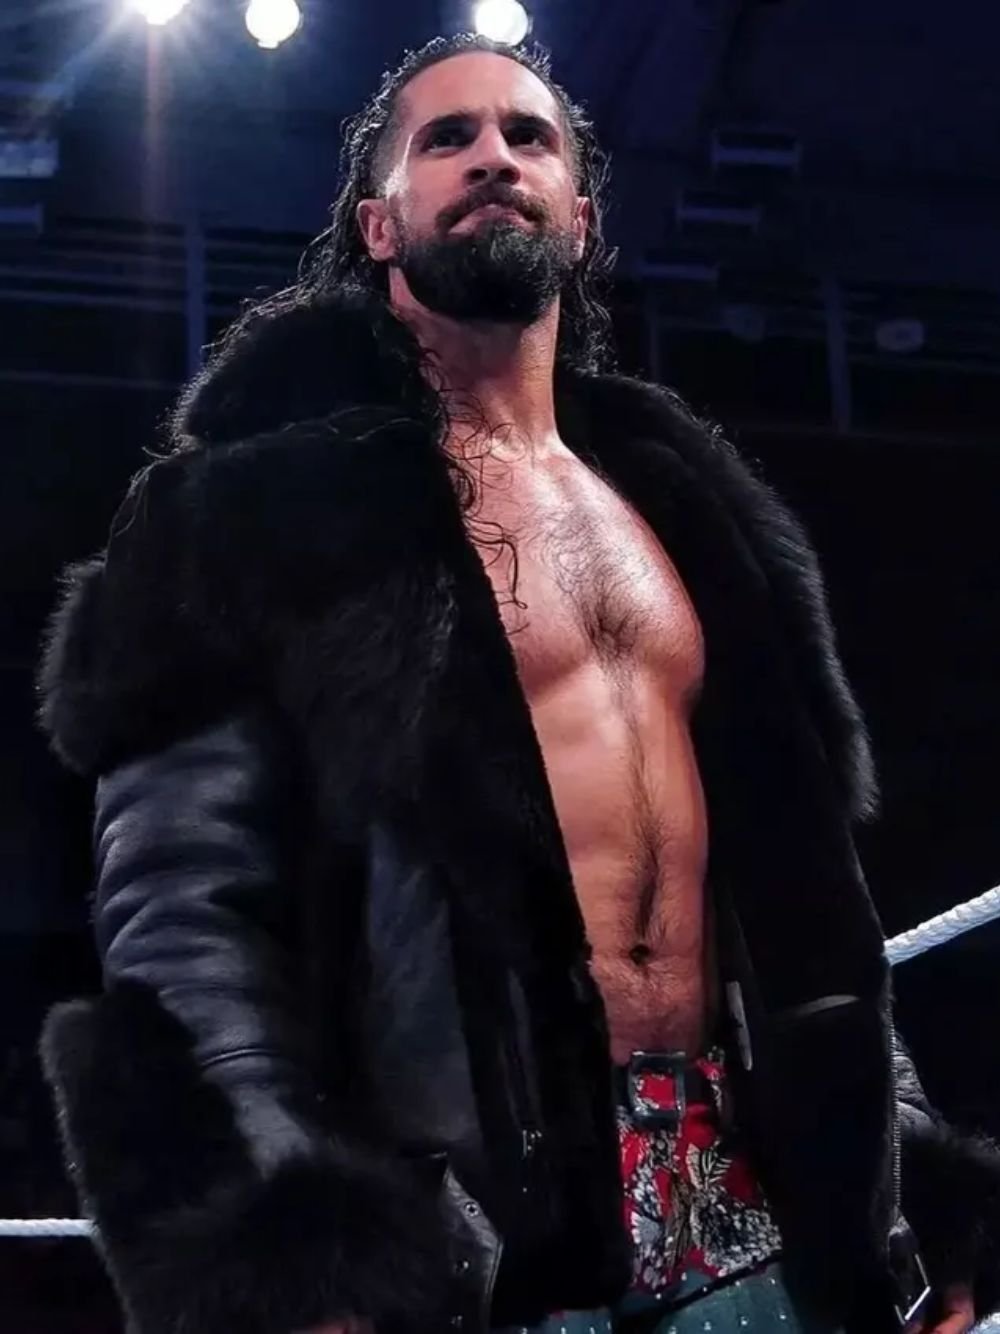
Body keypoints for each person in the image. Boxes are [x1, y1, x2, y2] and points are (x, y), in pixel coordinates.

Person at [35, 32, 1000, 1334]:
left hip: (763, 1210)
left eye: (527, 136)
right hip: (485, 1246)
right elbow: (185, 914)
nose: (493, 157)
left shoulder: (690, 509)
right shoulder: (248, 518)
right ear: (380, 224)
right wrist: (285, 1253)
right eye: (448, 139)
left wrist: (909, 1180)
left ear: (582, 216)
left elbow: (803, 902)